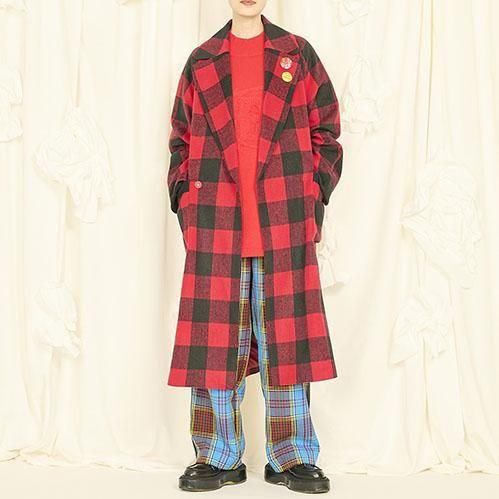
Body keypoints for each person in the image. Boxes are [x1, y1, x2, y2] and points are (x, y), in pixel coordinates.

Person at [166, 0, 343, 493]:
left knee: (287, 342)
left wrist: (311, 196)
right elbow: (180, 142)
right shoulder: (202, 61)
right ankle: (217, 455)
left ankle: (291, 456)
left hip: (283, 221)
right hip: (215, 224)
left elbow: (327, 132)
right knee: (214, 345)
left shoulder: (297, 55)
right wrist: (187, 205)